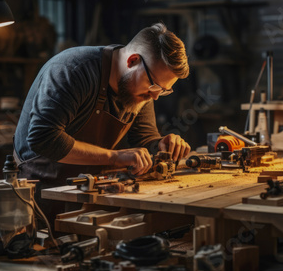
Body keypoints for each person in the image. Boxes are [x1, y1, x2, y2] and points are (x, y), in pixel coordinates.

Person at [13, 22, 191, 222]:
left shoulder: (139, 90)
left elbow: (143, 138)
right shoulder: (73, 70)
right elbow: (43, 138)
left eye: (163, 90)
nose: (155, 96)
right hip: (42, 191)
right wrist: (114, 157)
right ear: (133, 61)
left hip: (89, 190)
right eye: (155, 86)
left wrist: (159, 145)